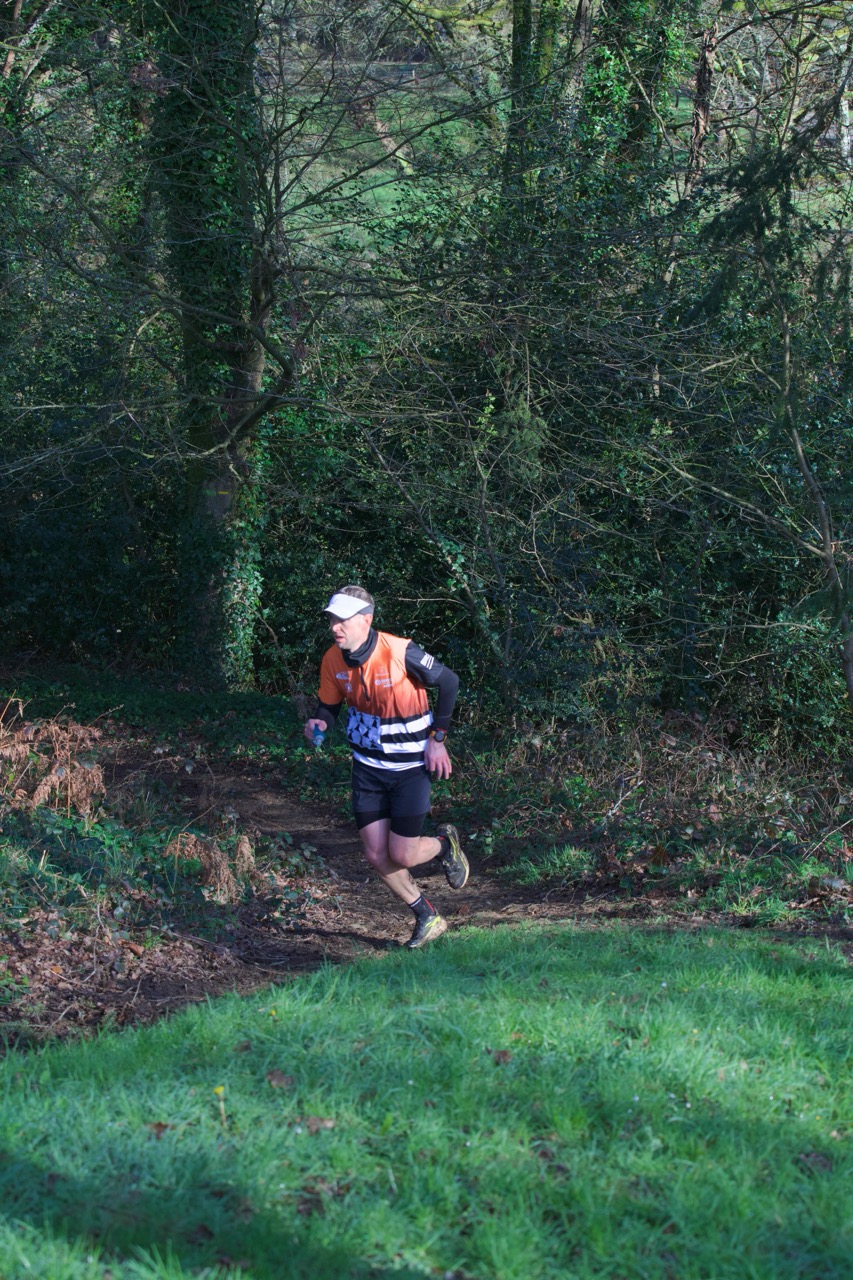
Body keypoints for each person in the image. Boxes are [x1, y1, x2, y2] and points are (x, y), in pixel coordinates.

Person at [303, 584, 469, 948]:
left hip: (410, 769)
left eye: (342, 620)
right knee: (377, 854)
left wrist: (438, 738)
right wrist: (319, 723)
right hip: (367, 769)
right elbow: (329, 706)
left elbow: (449, 681)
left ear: (366, 620)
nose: (334, 627)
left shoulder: (400, 651)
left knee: (403, 853)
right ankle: (427, 915)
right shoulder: (332, 659)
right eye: (331, 620)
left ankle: (444, 844)